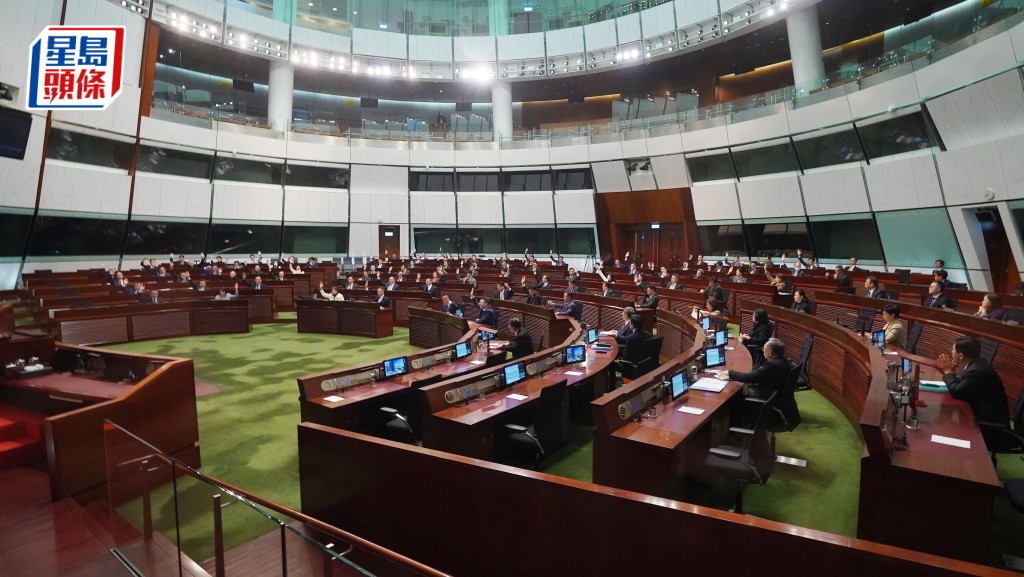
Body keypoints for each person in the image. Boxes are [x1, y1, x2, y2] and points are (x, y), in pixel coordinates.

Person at [936, 336, 1010, 427]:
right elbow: (962, 382)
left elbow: (956, 391)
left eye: (953, 349)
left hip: (989, 422)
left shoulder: (976, 370)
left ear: (961, 356)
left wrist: (948, 371)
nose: (951, 351)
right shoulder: (976, 363)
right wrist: (951, 372)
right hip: (979, 412)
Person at [718, 338, 789, 400]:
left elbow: (748, 378)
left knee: (735, 396)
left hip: (765, 399)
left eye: (763, 349)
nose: (763, 350)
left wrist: (729, 373)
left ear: (770, 352)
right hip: (775, 396)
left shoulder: (771, 365)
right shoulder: (785, 361)